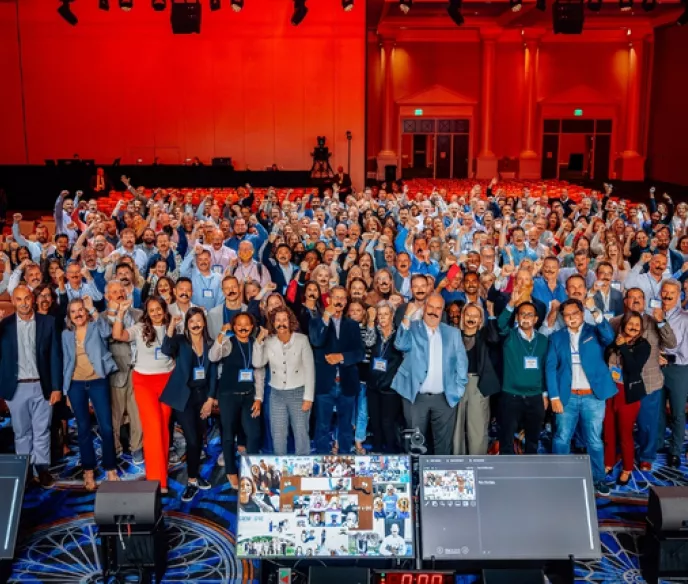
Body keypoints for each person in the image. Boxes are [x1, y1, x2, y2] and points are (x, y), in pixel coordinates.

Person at [545, 298, 617, 496]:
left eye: (575, 313)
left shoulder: (594, 331)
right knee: (561, 438)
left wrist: (594, 309)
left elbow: (610, 337)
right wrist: (554, 397)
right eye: (566, 315)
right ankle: (560, 478)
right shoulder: (557, 337)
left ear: (581, 313)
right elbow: (550, 368)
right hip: (566, 397)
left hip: (592, 397)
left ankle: (598, 479)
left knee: (594, 440)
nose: (571, 318)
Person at [111, 296, 175, 493]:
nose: (156, 313)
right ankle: (158, 481)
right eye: (152, 310)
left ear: (164, 310)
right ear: (147, 312)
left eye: (159, 309)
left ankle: (160, 470)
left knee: (163, 427)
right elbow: (118, 335)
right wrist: (120, 314)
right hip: (144, 381)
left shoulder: (173, 326)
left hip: (167, 381)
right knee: (153, 427)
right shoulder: (140, 328)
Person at [0, 285, 62, 487]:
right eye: (19, 299)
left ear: (32, 299)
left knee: (42, 430)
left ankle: (42, 469)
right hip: (16, 388)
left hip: (42, 386)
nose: (24, 303)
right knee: (21, 432)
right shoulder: (5, 325)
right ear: (13, 301)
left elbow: (55, 356)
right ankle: (25, 470)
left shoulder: (48, 322)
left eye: (27, 298)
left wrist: (56, 387)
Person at [392, 293, 468, 455]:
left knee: (443, 444)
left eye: (438, 308)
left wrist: (459, 389)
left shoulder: (452, 333)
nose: (434, 311)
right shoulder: (412, 328)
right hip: (415, 396)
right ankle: (416, 477)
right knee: (415, 443)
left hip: (445, 398)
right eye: (431, 307)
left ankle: (440, 478)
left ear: (443, 312)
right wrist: (407, 316)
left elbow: (462, 363)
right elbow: (399, 344)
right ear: (424, 308)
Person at [610, 287, 676, 471]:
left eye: (640, 297)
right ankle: (619, 451)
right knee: (620, 422)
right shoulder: (614, 323)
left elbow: (671, 344)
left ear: (645, 301)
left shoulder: (655, 322)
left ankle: (647, 456)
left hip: (649, 382)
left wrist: (661, 322)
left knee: (647, 423)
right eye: (632, 297)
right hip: (622, 383)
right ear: (625, 301)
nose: (636, 300)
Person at [61, 297, 119, 490]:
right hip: (75, 384)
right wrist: (66, 391)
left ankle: (110, 467)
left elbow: (108, 332)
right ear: (69, 316)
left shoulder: (96, 327)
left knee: (106, 427)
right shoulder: (66, 335)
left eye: (80, 310)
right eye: (74, 311)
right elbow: (66, 363)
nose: (78, 314)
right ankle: (88, 470)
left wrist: (92, 308)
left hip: (97, 381)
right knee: (83, 428)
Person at [160, 307, 217, 501]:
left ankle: (194, 474)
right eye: (191, 321)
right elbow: (166, 350)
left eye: (199, 320)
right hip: (183, 397)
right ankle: (191, 481)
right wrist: (170, 327)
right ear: (187, 324)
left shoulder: (210, 344)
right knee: (192, 440)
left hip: (202, 397)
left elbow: (212, 374)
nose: (195, 324)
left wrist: (210, 399)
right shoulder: (180, 341)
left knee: (198, 440)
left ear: (204, 323)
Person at [209, 312, 264, 489]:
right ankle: (231, 472)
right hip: (228, 396)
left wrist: (259, 398)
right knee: (228, 435)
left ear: (252, 326)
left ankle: (253, 471)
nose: (243, 327)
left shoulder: (255, 343)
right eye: (239, 324)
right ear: (233, 326)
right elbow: (213, 357)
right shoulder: (228, 342)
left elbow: (259, 372)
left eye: (247, 324)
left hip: (249, 395)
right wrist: (221, 335)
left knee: (254, 433)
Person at [309, 286, 365, 455]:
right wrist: (326, 316)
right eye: (336, 297)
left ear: (346, 302)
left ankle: (346, 460)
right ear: (329, 300)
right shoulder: (316, 321)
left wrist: (341, 356)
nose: (339, 301)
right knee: (322, 426)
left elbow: (359, 353)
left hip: (347, 383)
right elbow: (317, 341)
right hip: (325, 384)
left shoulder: (353, 325)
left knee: (346, 425)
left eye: (342, 298)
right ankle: (321, 460)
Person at [254, 307, 314, 456]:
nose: (281, 323)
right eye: (277, 320)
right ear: (273, 323)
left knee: (301, 432)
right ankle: (281, 469)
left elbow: (309, 369)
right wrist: (259, 341)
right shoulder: (268, 342)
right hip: (277, 394)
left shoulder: (302, 340)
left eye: (284, 319)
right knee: (278, 433)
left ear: (290, 321)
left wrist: (308, 397)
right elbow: (257, 363)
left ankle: (303, 469)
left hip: (299, 392)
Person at [603, 311, 650, 485]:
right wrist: (616, 345)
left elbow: (634, 368)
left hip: (627, 395)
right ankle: (608, 462)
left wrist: (623, 347)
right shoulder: (614, 341)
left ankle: (627, 468)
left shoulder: (643, 346)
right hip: (610, 391)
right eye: (630, 323)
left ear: (641, 328)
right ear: (623, 325)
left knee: (625, 434)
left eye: (637, 325)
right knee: (607, 431)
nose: (633, 327)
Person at [497, 299, 549, 455]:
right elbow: (500, 324)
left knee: (532, 441)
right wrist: (511, 304)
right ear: (517, 318)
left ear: (536, 319)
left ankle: (529, 474)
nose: (525, 317)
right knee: (506, 439)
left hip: (535, 397)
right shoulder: (509, 336)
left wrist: (545, 394)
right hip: (511, 396)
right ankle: (506, 474)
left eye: (529, 314)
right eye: (522, 314)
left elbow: (546, 369)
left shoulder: (543, 340)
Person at [104, 279, 144, 464]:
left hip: (139, 370)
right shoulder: (102, 318)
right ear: (107, 296)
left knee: (137, 414)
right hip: (117, 371)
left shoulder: (139, 314)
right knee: (115, 415)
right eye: (115, 292)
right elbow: (108, 339)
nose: (120, 294)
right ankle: (116, 448)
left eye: (122, 290)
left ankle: (137, 448)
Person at [453, 302, 500, 455]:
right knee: (456, 429)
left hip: (478, 384)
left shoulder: (485, 335)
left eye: (475, 316)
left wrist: (491, 313)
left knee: (478, 429)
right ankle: (457, 466)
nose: (471, 318)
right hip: (456, 384)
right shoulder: (454, 335)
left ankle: (478, 464)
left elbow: (495, 338)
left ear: (480, 320)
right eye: (468, 315)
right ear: (462, 317)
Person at [365, 301, 404, 453]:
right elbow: (368, 342)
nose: (382, 318)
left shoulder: (399, 334)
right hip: (373, 384)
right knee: (375, 420)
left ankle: (391, 451)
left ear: (392, 316)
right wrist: (370, 321)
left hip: (391, 386)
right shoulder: (374, 331)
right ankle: (376, 448)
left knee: (388, 421)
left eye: (385, 314)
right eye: (379, 314)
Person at [658, 279, 688, 468]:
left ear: (679, 296)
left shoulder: (685, 319)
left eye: (672, 293)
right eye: (665, 292)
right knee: (657, 411)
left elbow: (685, 353)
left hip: (678, 370)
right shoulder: (653, 315)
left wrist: (665, 358)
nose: (667, 296)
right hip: (656, 369)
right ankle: (659, 443)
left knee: (677, 412)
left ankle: (675, 451)